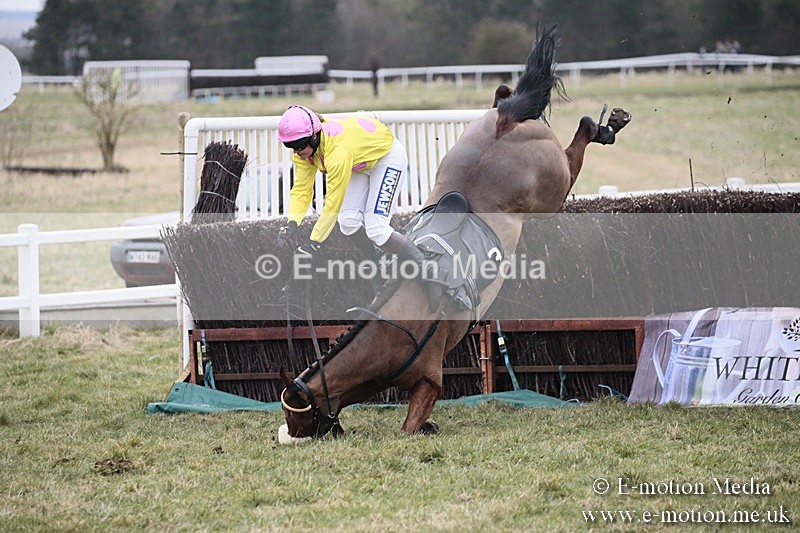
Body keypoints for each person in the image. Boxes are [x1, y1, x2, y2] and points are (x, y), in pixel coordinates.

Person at [276, 105, 425, 280]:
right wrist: (292, 222)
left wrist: (314, 243)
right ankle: (378, 269)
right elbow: (301, 190)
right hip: (360, 162)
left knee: (377, 228)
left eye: (300, 146)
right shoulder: (303, 153)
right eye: (291, 146)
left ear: (314, 136)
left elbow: (333, 202)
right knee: (348, 222)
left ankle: (428, 269)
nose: (297, 152)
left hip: (386, 157)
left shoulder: (338, 153)